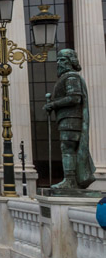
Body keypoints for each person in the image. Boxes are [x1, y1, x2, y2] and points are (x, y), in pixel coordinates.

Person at [43, 49, 95, 189]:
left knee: (68, 148)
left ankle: (70, 180)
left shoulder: (71, 77)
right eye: (58, 60)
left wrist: (53, 104)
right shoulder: (66, 77)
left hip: (71, 120)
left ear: (71, 62)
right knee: (67, 148)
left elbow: (74, 98)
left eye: (63, 60)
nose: (59, 63)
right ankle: (70, 179)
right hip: (66, 119)